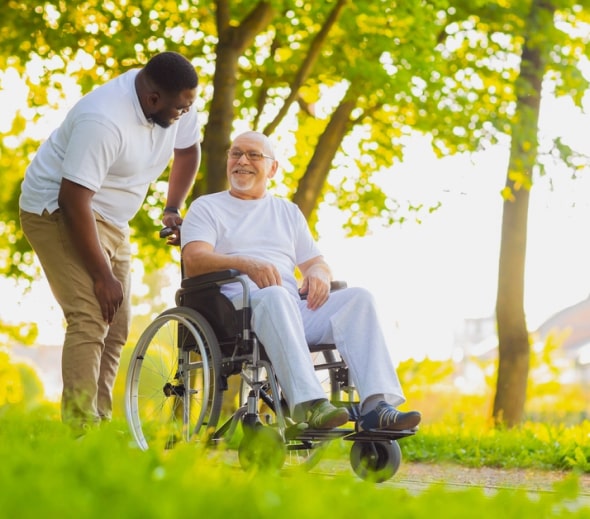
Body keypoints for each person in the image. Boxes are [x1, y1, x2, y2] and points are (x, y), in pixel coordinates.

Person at [180, 130, 421, 431]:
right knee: (276, 294)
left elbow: (316, 261)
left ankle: (377, 408)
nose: (242, 161)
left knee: (359, 298)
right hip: (235, 312)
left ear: (272, 168)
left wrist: (319, 274)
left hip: (291, 308)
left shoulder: (287, 212)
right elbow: (194, 260)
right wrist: (243, 262)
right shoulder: (207, 207)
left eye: (254, 155)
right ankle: (311, 405)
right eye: (235, 153)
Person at [19, 51, 201, 432]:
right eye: (180, 109)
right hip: (55, 210)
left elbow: (187, 150)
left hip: (112, 217)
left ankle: (99, 423)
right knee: (89, 314)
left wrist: (172, 207)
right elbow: (72, 200)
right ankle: (81, 430)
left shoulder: (175, 99)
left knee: (116, 323)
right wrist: (102, 275)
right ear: (153, 99)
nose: (185, 114)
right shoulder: (102, 119)